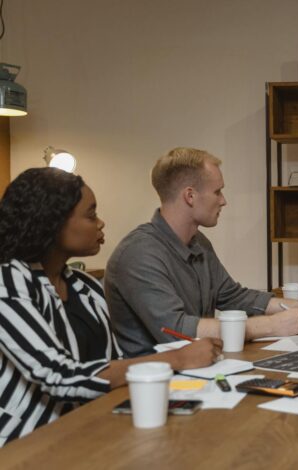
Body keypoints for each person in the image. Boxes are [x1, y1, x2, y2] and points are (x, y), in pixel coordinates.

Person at [0, 168, 222, 447]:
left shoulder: (85, 285)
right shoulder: (8, 282)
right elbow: (60, 377)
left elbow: (113, 364)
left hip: (91, 428)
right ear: (53, 222)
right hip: (26, 442)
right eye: (91, 215)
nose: (101, 223)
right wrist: (178, 359)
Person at [105, 148, 298, 357]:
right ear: (190, 196)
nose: (223, 201)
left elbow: (234, 297)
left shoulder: (198, 242)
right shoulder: (138, 254)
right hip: (155, 383)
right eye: (217, 192)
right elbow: (175, 329)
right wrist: (271, 325)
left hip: (201, 369)